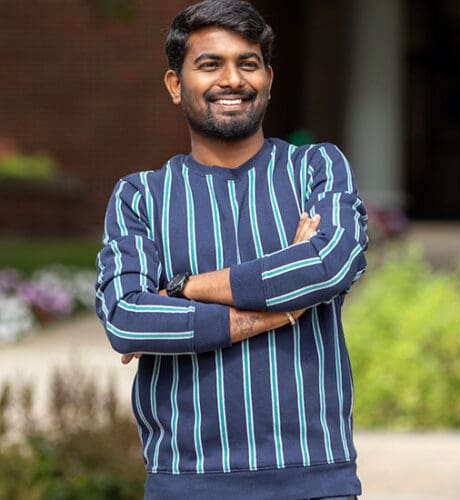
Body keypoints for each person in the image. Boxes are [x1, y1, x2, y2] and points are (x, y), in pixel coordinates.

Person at [95, 1, 368, 498]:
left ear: (268, 77)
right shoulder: (141, 197)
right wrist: (284, 306)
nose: (231, 79)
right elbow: (125, 317)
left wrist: (180, 290)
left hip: (314, 476)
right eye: (209, 64)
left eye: (247, 63)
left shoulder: (315, 169)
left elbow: (332, 264)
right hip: (188, 480)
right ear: (176, 85)